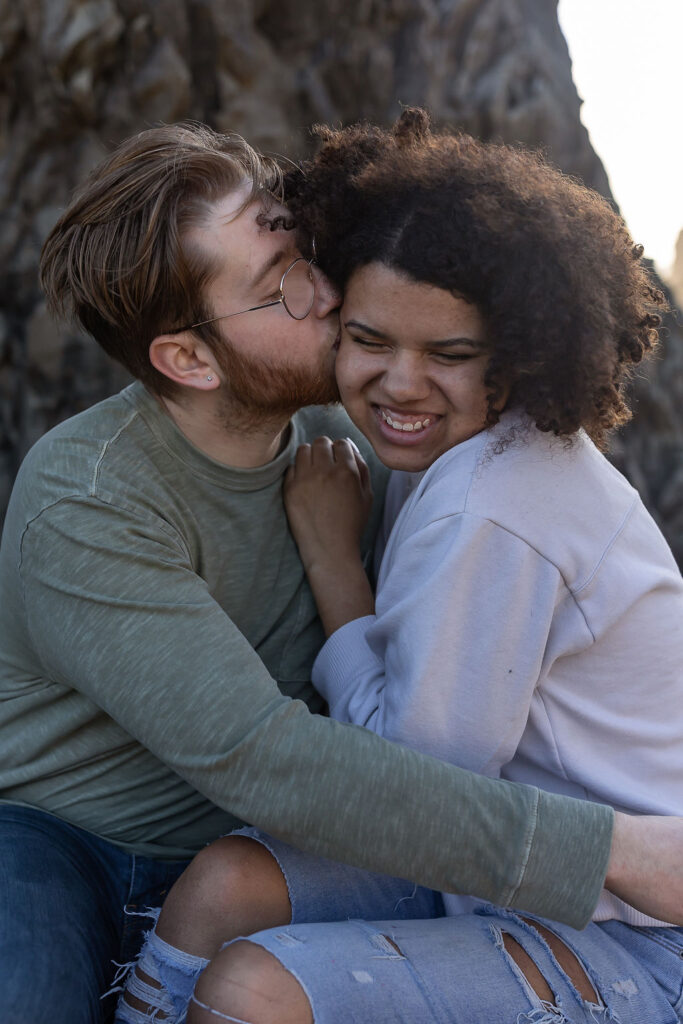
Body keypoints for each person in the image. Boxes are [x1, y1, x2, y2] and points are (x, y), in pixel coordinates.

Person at [0, 122, 678, 1024]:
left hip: (292, 842)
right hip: (74, 840)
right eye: (281, 286)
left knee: (249, 947)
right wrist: (608, 852)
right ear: (189, 359)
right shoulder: (88, 499)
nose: (325, 290)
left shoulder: (363, 453)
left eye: (306, 248)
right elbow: (266, 758)